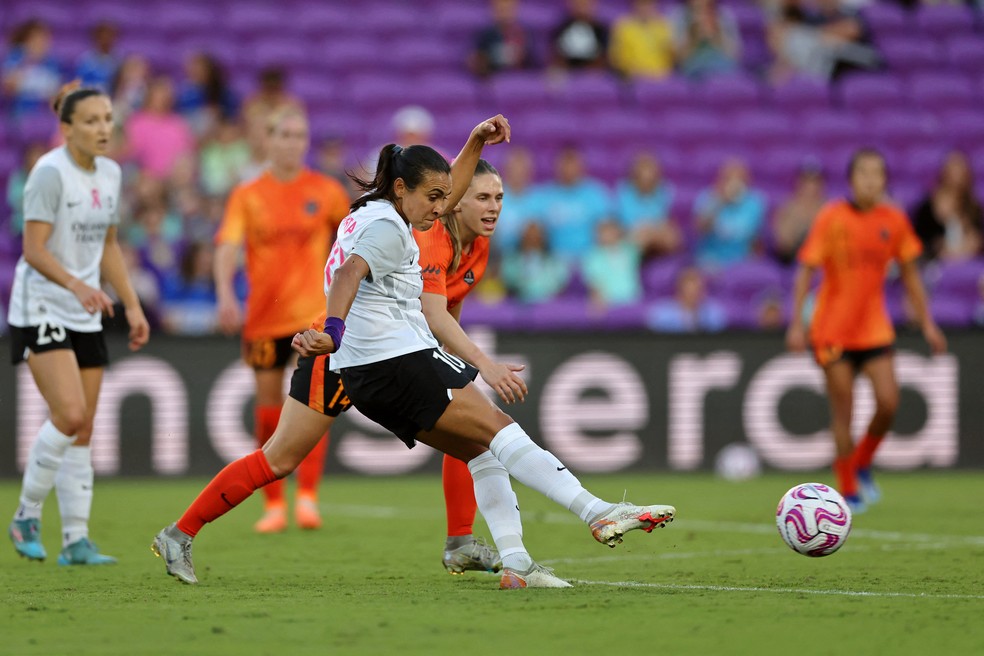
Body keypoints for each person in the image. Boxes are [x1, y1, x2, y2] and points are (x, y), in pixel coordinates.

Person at [154, 117, 675, 589]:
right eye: (440, 197)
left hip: (362, 353)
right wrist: (333, 331)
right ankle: (595, 512)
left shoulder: (386, 213)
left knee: (475, 447)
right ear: (404, 189)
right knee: (491, 429)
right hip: (366, 353)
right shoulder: (391, 228)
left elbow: (425, 215)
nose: (443, 207)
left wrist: (472, 142)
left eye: (467, 196)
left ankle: (507, 561)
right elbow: (349, 274)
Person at [7, 82, 150, 565]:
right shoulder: (49, 173)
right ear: (66, 128)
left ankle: (75, 540)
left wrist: (131, 304)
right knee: (69, 414)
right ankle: (26, 514)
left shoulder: (110, 173)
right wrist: (76, 284)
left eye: (107, 118)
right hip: (42, 305)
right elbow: (33, 250)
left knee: (84, 427)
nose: (103, 128)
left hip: (84, 307)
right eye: (90, 121)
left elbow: (108, 245)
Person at [786, 148, 947, 514]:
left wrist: (928, 323)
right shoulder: (832, 217)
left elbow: (910, 273)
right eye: (863, 173)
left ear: (885, 180)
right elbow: (806, 271)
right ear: (851, 179)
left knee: (889, 402)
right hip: (833, 330)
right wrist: (797, 323)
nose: (871, 180)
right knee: (844, 411)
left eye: (877, 173)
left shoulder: (894, 219)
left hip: (874, 328)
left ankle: (860, 461)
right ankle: (848, 490)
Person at [213, 107, 351, 533]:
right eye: (285, 134)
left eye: (299, 135)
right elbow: (227, 247)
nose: (293, 142)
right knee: (269, 408)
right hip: (263, 318)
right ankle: (273, 503)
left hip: (313, 317)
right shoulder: (248, 194)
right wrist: (223, 295)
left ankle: (307, 496)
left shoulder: (326, 191)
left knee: (315, 405)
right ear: (268, 140)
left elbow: (353, 240)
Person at [413, 158, 525, 573]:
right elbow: (433, 314)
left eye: (499, 197)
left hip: (411, 354)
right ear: (457, 202)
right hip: (359, 351)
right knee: (281, 457)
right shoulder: (429, 239)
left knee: (474, 436)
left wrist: (453, 366)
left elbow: (449, 313)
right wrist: (483, 366)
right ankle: (192, 531)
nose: (494, 206)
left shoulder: (479, 243)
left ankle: (460, 541)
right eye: (482, 197)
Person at [694, 158, 767, 270]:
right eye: (728, 178)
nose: (734, 183)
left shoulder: (755, 203)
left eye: (739, 179)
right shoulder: (706, 198)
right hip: (711, 259)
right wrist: (720, 201)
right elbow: (700, 229)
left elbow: (755, 240)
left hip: (741, 261)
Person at [910, 150, 983, 262]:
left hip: (968, 266)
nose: (956, 175)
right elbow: (917, 243)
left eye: (960, 170)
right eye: (953, 170)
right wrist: (937, 247)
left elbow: (978, 238)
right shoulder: (926, 208)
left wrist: (974, 243)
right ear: (944, 172)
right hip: (935, 266)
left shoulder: (974, 208)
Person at [771, 160, 827, 264]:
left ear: (821, 184)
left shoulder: (829, 209)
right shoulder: (787, 207)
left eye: (814, 182)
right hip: (792, 260)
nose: (810, 186)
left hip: (821, 262)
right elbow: (783, 245)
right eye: (806, 181)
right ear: (799, 183)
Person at [670, 0, 741, 80]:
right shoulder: (679, 16)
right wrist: (694, 36)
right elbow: (679, 60)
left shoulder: (723, 15)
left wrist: (716, 35)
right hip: (694, 70)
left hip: (723, 68)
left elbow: (734, 55)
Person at [468, 0, 537, 77]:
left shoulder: (523, 32)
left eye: (508, 9)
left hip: (518, 78)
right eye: (501, 9)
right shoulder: (486, 34)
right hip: (493, 77)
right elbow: (477, 58)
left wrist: (522, 56)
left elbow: (532, 60)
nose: (504, 13)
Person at [609, 0, 675, 80]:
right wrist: (631, 72)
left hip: (661, 76)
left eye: (648, 5)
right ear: (635, 6)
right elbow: (616, 59)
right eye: (642, 5)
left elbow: (671, 56)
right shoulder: (623, 27)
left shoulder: (662, 26)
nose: (645, 9)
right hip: (634, 77)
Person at [550, 0, 610, 71]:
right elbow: (557, 53)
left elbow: (602, 55)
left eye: (585, 5)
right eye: (578, 5)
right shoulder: (564, 26)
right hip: (568, 69)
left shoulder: (598, 29)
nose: (582, 9)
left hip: (590, 70)